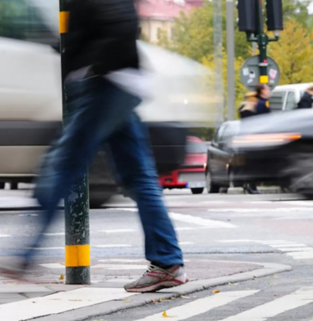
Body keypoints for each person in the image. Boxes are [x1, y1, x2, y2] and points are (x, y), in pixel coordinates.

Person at [0, 0, 186, 292]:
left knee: (62, 166)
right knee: (138, 177)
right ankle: (167, 263)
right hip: (119, 81)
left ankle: (23, 254)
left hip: (106, 84)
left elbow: (117, 26)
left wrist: (87, 69)